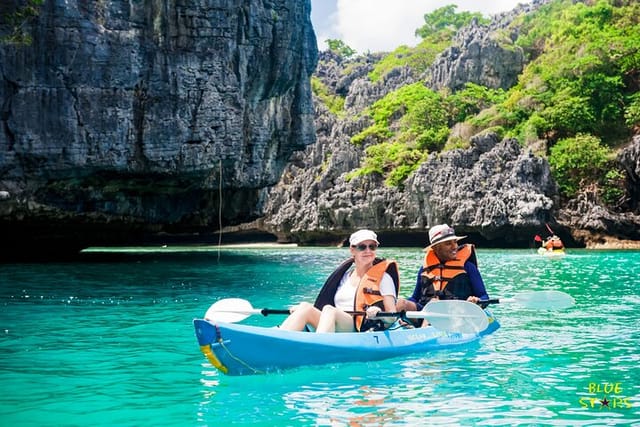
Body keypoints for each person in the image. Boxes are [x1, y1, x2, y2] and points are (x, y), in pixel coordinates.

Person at [279, 229, 400, 333]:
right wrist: (299, 311)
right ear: (352, 250)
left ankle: (319, 345)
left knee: (329, 310)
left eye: (372, 247)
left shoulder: (384, 278)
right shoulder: (345, 276)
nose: (368, 251)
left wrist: (379, 312)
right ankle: (280, 338)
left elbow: (392, 316)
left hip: (359, 326)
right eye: (362, 247)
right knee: (305, 307)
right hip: (333, 321)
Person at [396, 224, 489, 324]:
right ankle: (401, 327)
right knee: (401, 303)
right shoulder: (424, 270)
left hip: (455, 314)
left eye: (455, 242)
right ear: (436, 248)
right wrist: (403, 311)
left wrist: (476, 301)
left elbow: (484, 296)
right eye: (448, 243)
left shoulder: (468, 267)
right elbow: (415, 298)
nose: (455, 247)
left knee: (434, 304)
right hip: (426, 312)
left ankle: (424, 331)